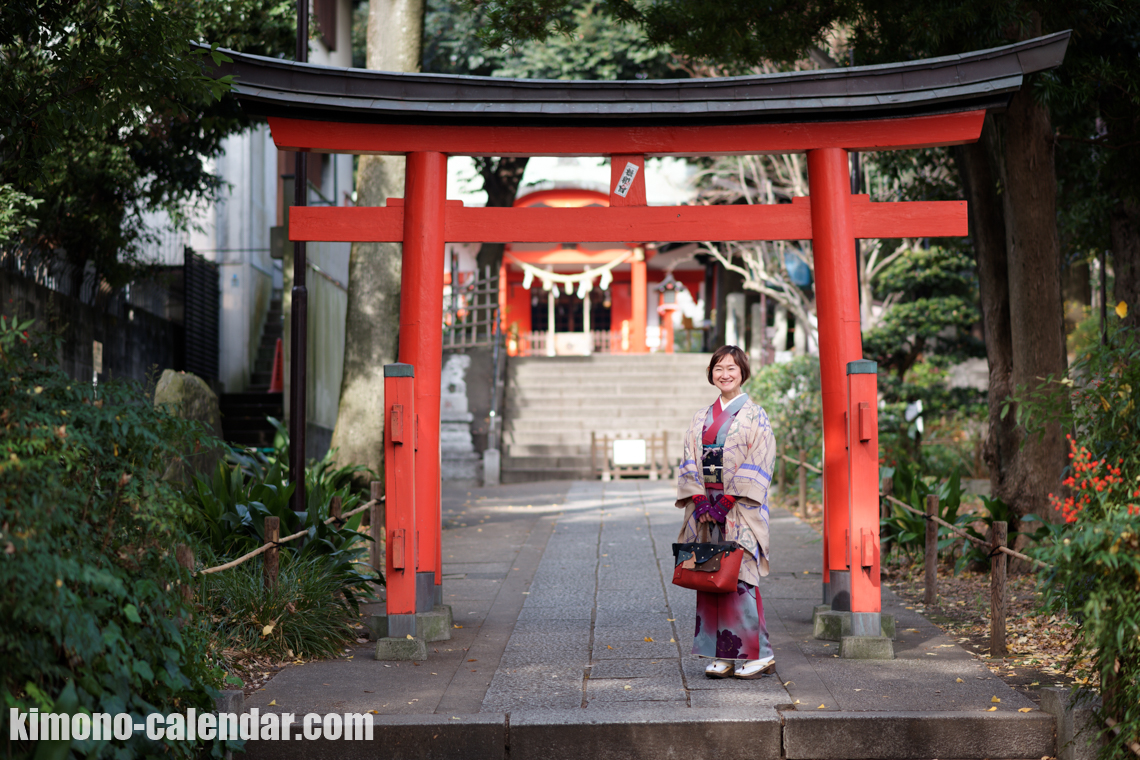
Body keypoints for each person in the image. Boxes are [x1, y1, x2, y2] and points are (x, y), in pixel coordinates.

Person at [675, 345, 777, 679]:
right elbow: (689, 459)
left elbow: (760, 460)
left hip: (739, 509)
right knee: (710, 576)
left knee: (741, 578)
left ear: (742, 372)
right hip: (706, 509)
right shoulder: (700, 418)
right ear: (711, 374)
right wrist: (702, 502)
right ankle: (722, 653)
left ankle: (758, 653)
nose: (725, 374)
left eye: (731, 368)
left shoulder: (755, 416)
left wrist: (728, 502)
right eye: (718, 368)